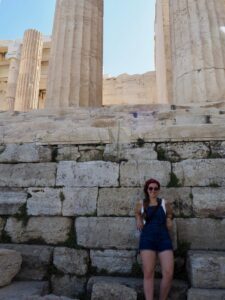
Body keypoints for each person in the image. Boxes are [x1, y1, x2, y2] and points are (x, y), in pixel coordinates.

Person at [135, 178, 174, 300]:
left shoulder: (164, 203)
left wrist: (168, 219)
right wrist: (138, 218)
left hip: (164, 239)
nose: (153, 190)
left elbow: (170, 213)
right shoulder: (141, 203)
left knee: (168, 273)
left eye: (156, 188)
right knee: (148, 273)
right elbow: (137, 213)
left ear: (158, 190)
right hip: (147, 239)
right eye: (150, 188)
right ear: (147, 190)